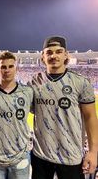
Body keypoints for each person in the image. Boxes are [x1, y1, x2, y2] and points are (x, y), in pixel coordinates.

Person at [28, 36, 98, 179]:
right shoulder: (34, 82)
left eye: (59, 51)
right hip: (41, 156)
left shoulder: (81, 82)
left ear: (66, 54)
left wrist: (93, 151)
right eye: (49, 52)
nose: (54, 56)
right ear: (43, 56)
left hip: (71, 156)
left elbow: (90, 117)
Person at [0, 51, 33, 179]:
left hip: (20, 156)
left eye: (10, 66)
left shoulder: (28, 92)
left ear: (16, 69)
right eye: (3, 67)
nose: (7, 70)